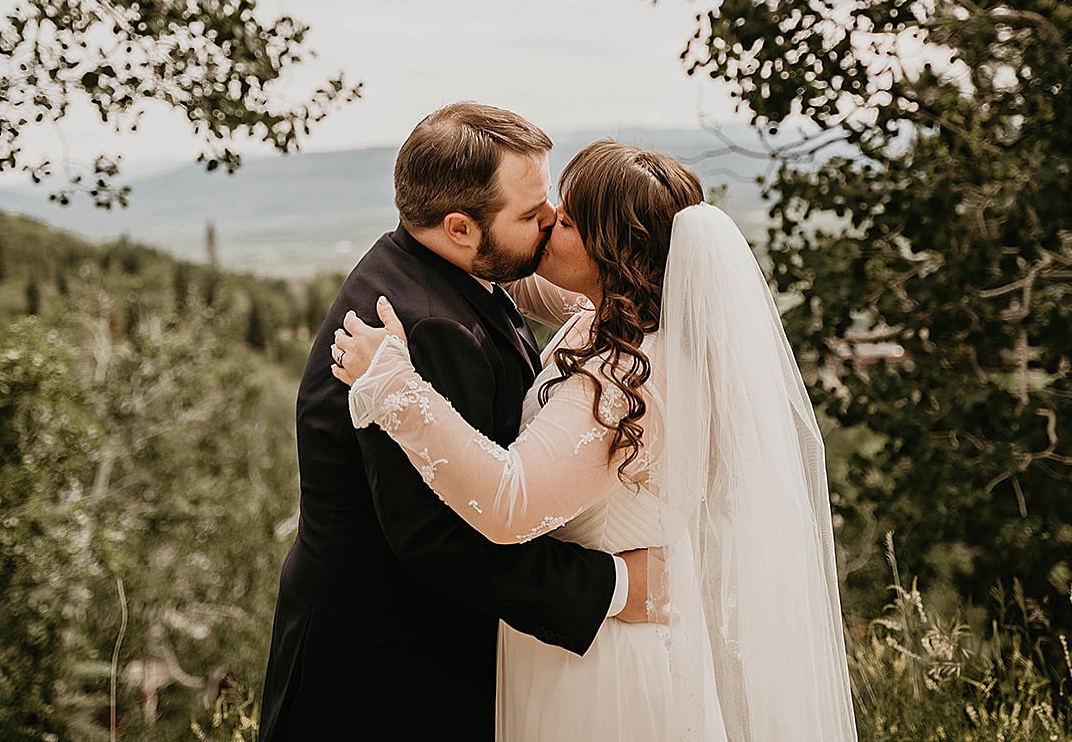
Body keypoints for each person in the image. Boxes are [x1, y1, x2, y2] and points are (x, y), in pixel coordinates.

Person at [331, 139, 858, 741]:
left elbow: (511, 503)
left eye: (570, 220)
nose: (550, 221)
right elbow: (513, 271)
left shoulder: (622, 377)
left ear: (613, 255)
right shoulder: (632, 318)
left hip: (600, 664)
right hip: (592, 638)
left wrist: (394, 384)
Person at [257, 105, 658, 742]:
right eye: (531, 215)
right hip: (383, 676)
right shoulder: (429, 328)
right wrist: (611, 587)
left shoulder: (441, 263)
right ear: (461, 228)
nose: (550, 220)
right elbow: (438, 542)